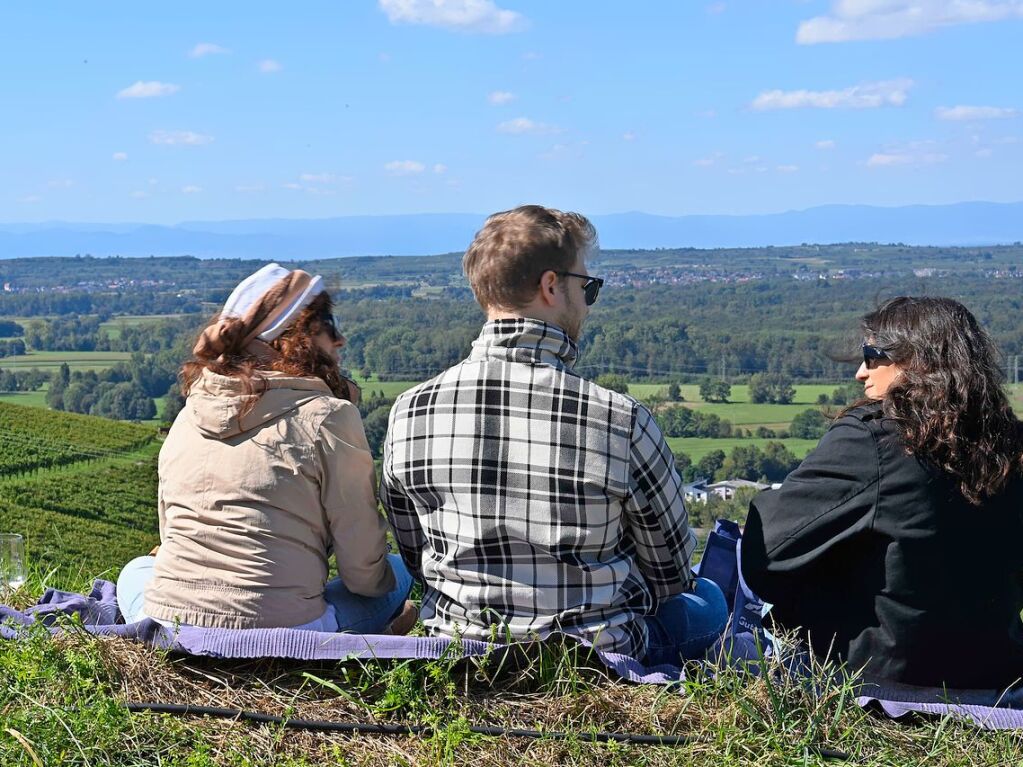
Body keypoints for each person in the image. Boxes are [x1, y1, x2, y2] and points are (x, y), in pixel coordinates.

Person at [379, 205, 727, 663]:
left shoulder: (410, 411)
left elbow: (415, 556)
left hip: (456, 649)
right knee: (709, 605)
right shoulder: (619, 419)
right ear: (550, 287)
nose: (586, 301)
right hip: (593, 656)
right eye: (587, 287)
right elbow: (672, 573)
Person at [117, 263, 416, 635]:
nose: (339, 340)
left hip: (172, 628)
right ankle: (369, 635)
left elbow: (169, 535)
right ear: (289, 339)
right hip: (282, 633)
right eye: (327, 324)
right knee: (401, 571)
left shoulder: (187, 414)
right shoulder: (329, 417)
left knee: (135, 571)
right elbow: (362, 575)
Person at [742, 296, 1023, 689]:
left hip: (879, 676)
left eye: (872, 355)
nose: (861, 372)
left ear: (917, 361)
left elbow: (766, 554)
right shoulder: (1011, 444)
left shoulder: (873, 438)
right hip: (997, 673)